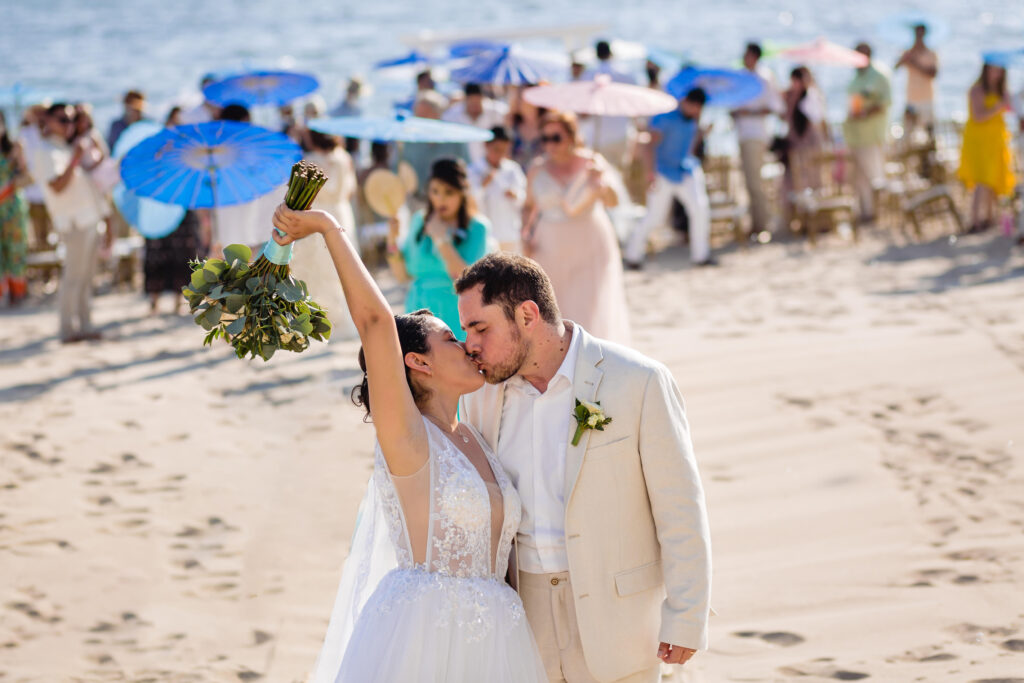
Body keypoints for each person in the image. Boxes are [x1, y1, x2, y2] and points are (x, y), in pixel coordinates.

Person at [271, 205, 546, 683]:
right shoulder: (408, 439)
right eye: (450, 339)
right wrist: (329, 227)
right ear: (418, 362)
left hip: (498, 637)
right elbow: (377, 322)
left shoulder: (475, 435)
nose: (467, 345)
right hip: (425, 637)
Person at [455, 252, 712, 682]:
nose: (471, 345)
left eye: (480, 328)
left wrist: (687, 615)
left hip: (621, 620)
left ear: (527, 314)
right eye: (466, 331)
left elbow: (680, 507)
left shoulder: (639, 380)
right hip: (524, 619)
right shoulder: (481, 398)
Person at [523, 111, 631, 344]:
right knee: (555, 307)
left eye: (556, 137)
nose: (550, 144)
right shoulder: (536, 169)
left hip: (590, 242)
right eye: (545, 138)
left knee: (588, 306)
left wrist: (599, 182)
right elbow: (528, 206)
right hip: (549, 246)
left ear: (571, 137)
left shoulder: (592, 162)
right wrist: (525, 233)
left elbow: (613, 202)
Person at [385, 158, 491, 340]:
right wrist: (392, 240)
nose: (440, 199)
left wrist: (441, 239)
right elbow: (403, 275)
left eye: (449, 192)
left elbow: (466, 278)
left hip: (455, 314)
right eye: (435, 191)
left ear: (462, 193)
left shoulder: (478, 227)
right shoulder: (419, 220)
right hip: (417, 310)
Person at [31, 103, 107, 342]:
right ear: (49, 121)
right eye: (63, 120)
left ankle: (84, 324)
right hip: (73, 222)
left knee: (86, 276)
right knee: (73, 276)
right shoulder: (45, 150)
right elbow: (57, 186)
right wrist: (75, 158)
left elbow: (96, 170)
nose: (69, 125)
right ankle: (67, 329)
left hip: (88, 218)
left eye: (72, 120)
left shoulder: (64, 147)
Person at [625, 88, 713, 269]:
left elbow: (688, 147)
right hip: (663, 172)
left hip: (685, 169)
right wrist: (650, 173)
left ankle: (701, 255)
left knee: (700, 209)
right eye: (695, 107)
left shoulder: (692, 120)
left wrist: (703, 134)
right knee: (654, 216)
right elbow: (649, 146)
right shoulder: (665, 118)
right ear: (687, 102)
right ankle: (632, 255)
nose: (697, 111)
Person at [289, 128, 359, 339]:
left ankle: (320, 318)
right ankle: (341, 317)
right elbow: (350, 189)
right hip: (341, 214)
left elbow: (299, 192)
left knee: (318, 267)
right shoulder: (344, 157)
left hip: (318, 216)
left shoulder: (308, 160)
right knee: (342, 265)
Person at [731, 42, 783, 236]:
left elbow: (774, 107)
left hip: (756, 134)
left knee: (755, 182)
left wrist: (748, 113)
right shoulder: (742, 77)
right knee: (748, 181)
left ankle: (763, 225)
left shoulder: (764, 77)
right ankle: (755, 223)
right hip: (744, 134)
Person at [958, 63, 1015, 234]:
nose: (995, 73)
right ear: (985, 70)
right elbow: (978, 116)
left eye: (999, 70)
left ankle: (989, 218)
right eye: (993, 69)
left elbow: (1012, 109)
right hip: (979, 141)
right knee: (981, 181)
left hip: (995, 140)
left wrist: (1007, 101)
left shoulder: (1001, 90)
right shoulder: (977, 90)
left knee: (992, 179)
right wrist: (998, 107)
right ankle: (975, 221)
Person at [843, 42, 891, 224]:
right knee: (860, 179)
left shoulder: (878, 75)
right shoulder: (855, 78)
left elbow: (885, 103)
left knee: (875, 176)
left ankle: (882, 213)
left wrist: (865, 113)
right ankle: (866, 213)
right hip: (854, 136)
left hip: (871, 135)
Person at [402, 92, 471, 206]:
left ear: (437, 115)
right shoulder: (408, 141)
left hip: (449, 204)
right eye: (417, 115)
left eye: (424, 115)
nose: (419, 120)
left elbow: (467, 168)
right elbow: (400, 168)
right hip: (417, 201)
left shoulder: (455, 139)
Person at [469, 126, 526, 252]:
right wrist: (483, 185)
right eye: (496, 149)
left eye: (503, 150)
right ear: (486, 145)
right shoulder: (474, 170)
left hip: (509, 232)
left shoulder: (512, 169)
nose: (499, 154)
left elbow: (523, 197)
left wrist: (515, 195)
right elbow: (470, 200)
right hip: (485, 234)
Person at [580, 40, 636, 167]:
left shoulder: (588, 75)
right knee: (620, 176)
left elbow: (584, 109)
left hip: (598, 134)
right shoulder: (625, 74)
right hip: (622, 131)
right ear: (610, 53)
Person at [782, 66, 828, 203]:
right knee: (797, 179)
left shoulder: (811, 96)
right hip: (797, 145)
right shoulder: (790, 97)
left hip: (810, 144)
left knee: (814, 177)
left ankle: (817, 209)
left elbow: (818, 117)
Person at [0, 111, 31, 305]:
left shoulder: (14, 147)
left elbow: (27, 176)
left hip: (12, 206)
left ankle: (17, 293)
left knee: (16, 250)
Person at [442, 83, 509, 164]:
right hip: (461, 163)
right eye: (472, 101)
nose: (474, 106)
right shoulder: (452, 115)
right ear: (466, 99)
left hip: (489, 164)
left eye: (477, 102)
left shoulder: (496, 112)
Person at [895, 24, 939, 136]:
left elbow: (933, 73)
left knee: (930, 133)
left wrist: (914, 62)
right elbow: (895, 67)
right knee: (908, 133)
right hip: (911, 99)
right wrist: (904, 59)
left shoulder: (931, 53)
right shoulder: (908, 53)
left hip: (927, 98)